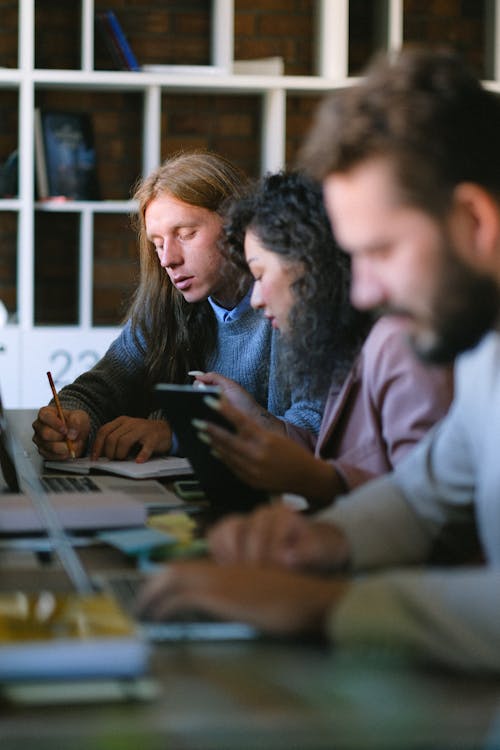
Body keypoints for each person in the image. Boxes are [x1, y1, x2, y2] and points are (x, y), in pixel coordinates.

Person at [137, 48, 500, 672]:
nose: (361, 293)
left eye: (381, 251)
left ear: (474, 220)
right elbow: (422, 496)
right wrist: (318, 540)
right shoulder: (483, 349)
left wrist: (321, 604)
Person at [32, 151, 323, 464]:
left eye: (186, 235)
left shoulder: (288, 304)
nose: (168, 259)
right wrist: (72, 423)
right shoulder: (165, 304)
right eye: (157, 243)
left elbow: (312, 432)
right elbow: (97, 389)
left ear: (236, 225)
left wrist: (176, 434)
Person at [190, 170, 452, 509]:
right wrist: (257, 418)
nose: (254, 299)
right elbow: (332, 451)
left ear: (309, 266)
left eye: (259, 274)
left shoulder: (396, 345)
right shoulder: (343, 345)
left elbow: (429, 510)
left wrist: (317, 479)